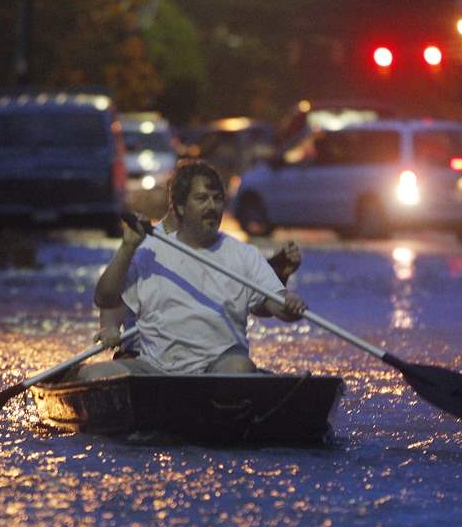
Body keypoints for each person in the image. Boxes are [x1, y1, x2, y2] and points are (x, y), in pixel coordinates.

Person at [82, 160, 306, 379]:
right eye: (202, 198)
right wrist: (127, 247)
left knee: (239, 366)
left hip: (220, 368)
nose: (212, 206)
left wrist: (289, 304)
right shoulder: (148, 251)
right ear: (179, 207)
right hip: (156, 370)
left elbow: (275, 304)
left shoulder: (245, 255)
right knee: (90, 374)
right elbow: (105, 299)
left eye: (217, 199)